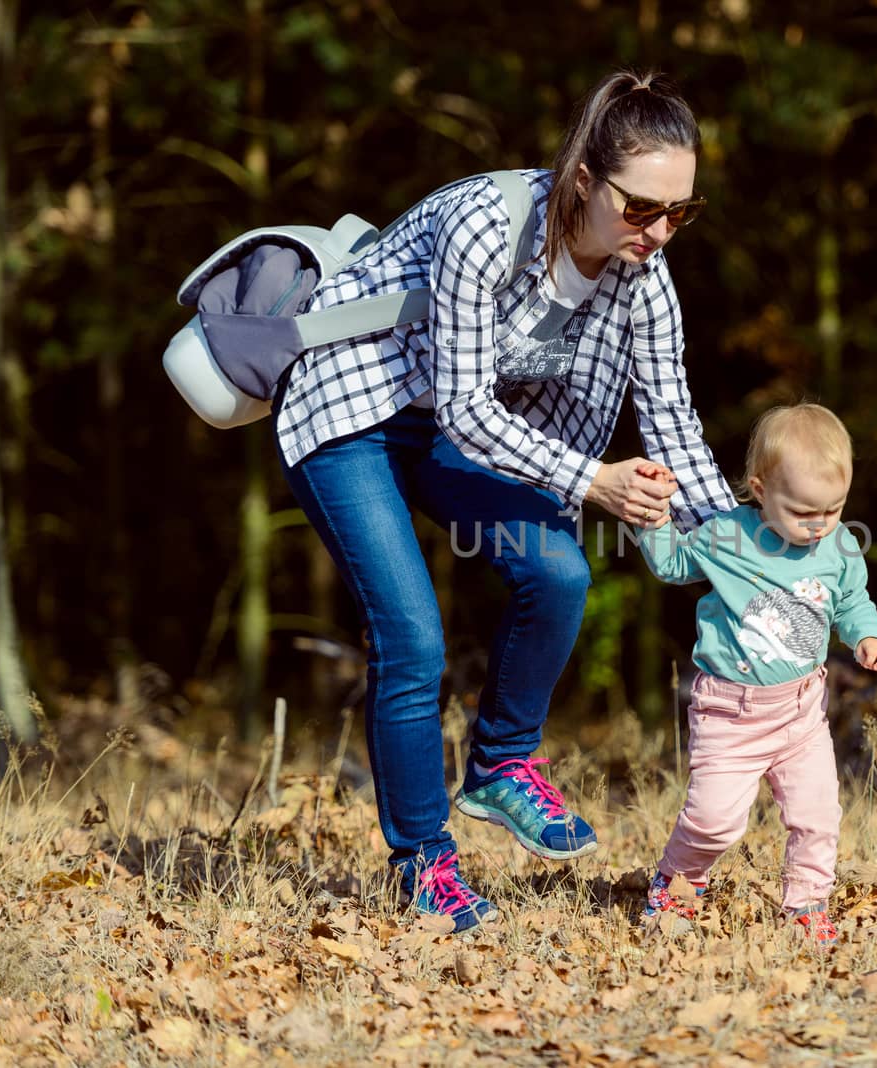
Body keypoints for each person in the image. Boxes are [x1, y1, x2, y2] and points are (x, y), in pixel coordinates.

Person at [272, 70, 736, 931]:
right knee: (412, 636)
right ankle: (423, 865)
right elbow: (468, 408)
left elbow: (672, 413)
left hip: (457, 430)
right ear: (586, 180)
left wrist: (743, 556)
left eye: (682, 212)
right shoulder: (486, 224)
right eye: (642, 209)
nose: (662, 232)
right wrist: (595, 481)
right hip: (351, 408)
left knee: (559, 575)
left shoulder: (644, 276)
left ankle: (499, 766)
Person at [637, 403, 877, 948]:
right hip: (730, 712)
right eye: (803, 512)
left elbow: (852, 601)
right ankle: (676, 884)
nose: (819, 524)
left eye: (833, 508)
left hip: (802, 712)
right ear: (760, 489)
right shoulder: (727, 536)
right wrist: (652, 520)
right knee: (713, 821)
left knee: (818, 815)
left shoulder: (839, 547)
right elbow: (674, 565)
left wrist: (870, 636)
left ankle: (805, 905)